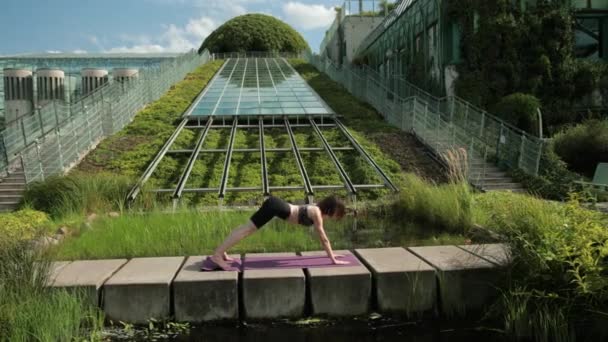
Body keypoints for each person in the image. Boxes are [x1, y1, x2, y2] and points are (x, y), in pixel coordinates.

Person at [209, 195, 348, 270]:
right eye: (337, 214)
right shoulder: (317, 213)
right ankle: (217, 255)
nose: (336, 217)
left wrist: (332, 254)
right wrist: (333, 260)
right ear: (331, 210)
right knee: (246, 230)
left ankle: (222, 252)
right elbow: (324, 239)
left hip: (275, 204)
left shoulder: (317, 210)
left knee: (245, 228)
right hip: (275, 207)